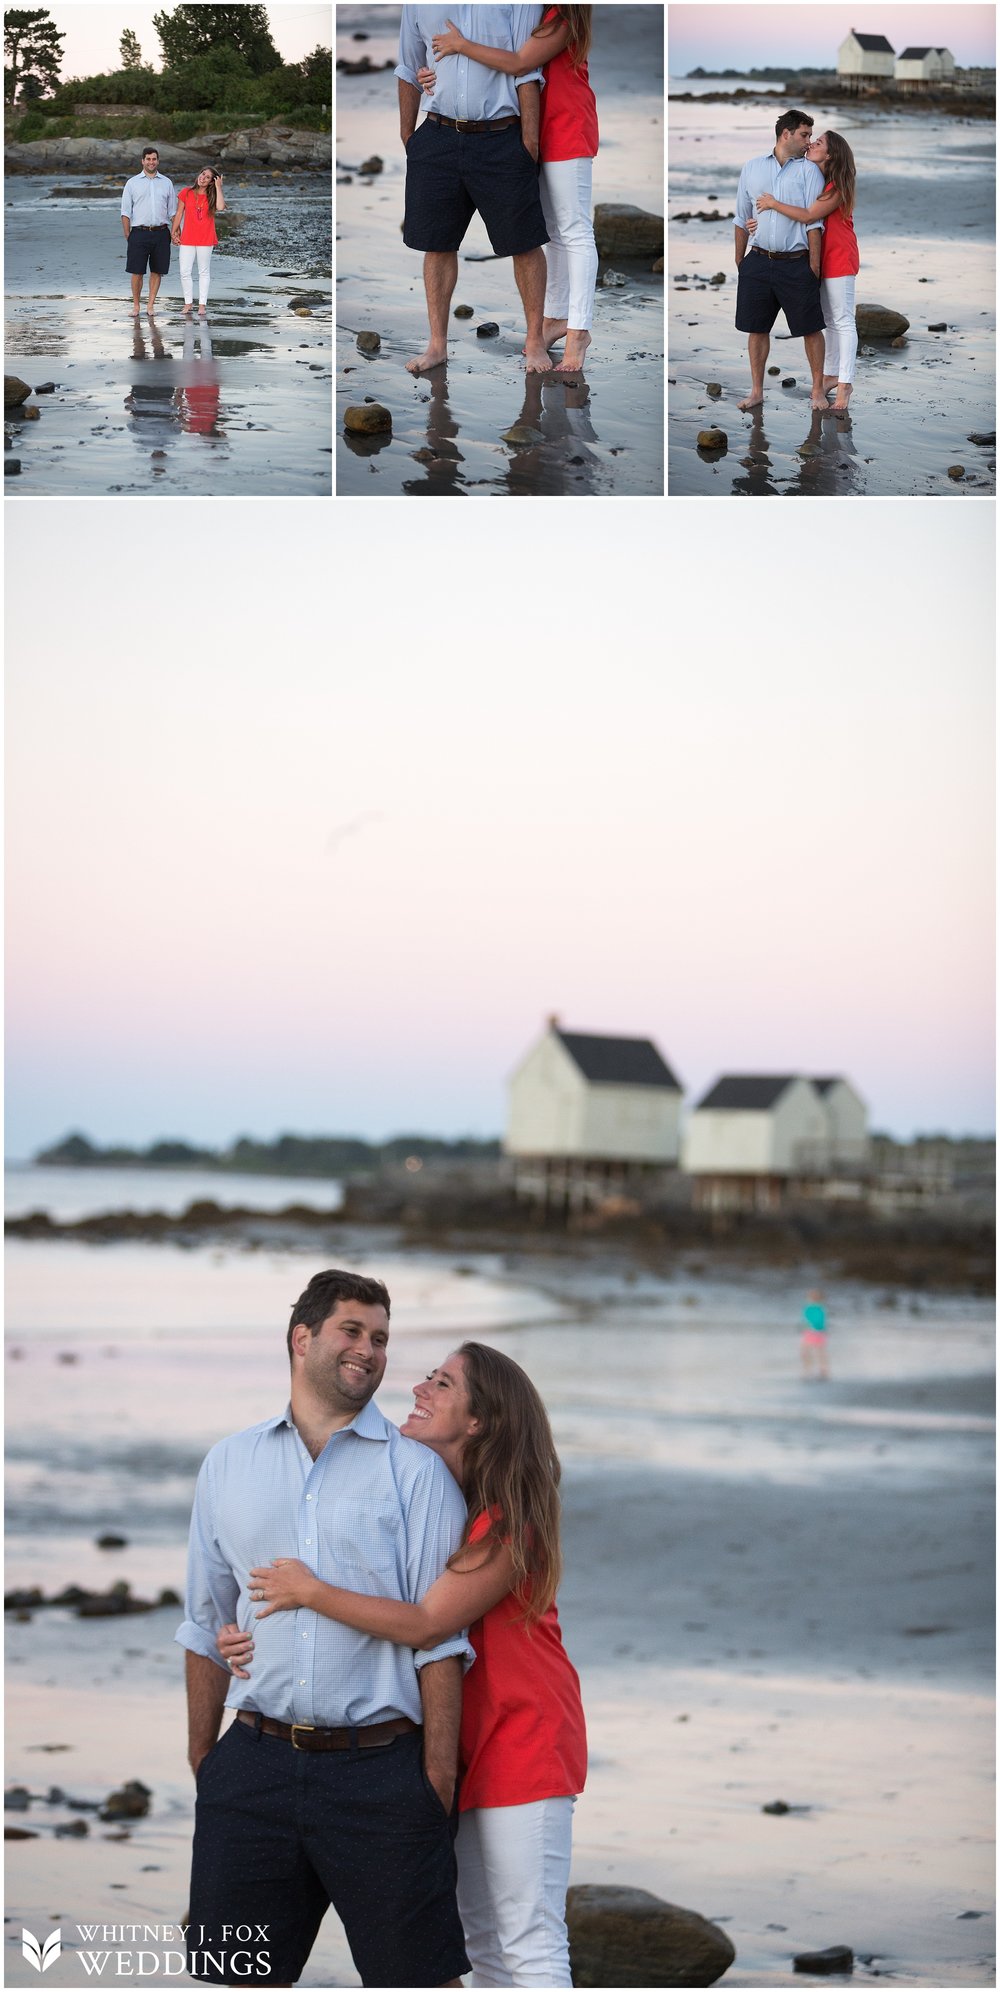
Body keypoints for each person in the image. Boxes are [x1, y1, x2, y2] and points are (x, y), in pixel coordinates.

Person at [219, 1341, 587, 1989]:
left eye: (442, 1384)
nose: (420, 1389)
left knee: (528, 1942)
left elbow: (425, 1623)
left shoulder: (510, 1525)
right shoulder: (444, 1502)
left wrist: (310, 1592)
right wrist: (249, 1637)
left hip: (523, 1744)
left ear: (479, 1421)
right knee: (480, 1944)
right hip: (459, 1747)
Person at [175, 1269, 473, 1989]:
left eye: (380, 1338)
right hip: (253, 1765)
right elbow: (204, 1620)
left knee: (415, 1982)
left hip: (383, 1776)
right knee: (233, 1980)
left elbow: (440, 1638)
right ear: (301, 1338)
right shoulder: (228, 1464)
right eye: (352, 1330)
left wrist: (435, 1777)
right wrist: (204, 1759)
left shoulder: (417, 1475)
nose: (369, 1350)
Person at [424, 8, 599, 375]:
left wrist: (460, 45)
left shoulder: (564, 18)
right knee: (550, 232)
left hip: (566, 126)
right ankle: (555, 319)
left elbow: (519, 63)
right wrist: (438, 75)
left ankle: (579, 330)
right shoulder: (536, 10)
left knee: (576, 232)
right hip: (532, 127)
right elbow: (496, 63)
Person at [395, 7, 553, 376]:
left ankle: (534, 342)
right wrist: (408, 136)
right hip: (436, 136)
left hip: (502, 138)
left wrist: (529, 141)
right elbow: (407, 66)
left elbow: (527, 68)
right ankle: (437, 345)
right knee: (437, 244)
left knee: (524, 243)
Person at [752, 130, 859, 414]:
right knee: (829, 321)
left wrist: (773, 203)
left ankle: (845, 383)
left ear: (831, 154)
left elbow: (809, 216)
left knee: (844, 321)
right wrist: (761, 226)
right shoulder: (819, 181)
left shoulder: (837, 187)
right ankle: (831, 376)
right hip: (821, 257)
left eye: (819, 142)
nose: (812, 143)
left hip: (840, 257)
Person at [733, 110, 827, 414]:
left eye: (811, 136)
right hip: (757, 262)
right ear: (785, 134)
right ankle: (757, 391)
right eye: (804, 135)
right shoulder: (751, 167)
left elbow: (814, 223)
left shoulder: (809, 172)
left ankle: (817, 391)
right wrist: (740, 261)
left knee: (811, 329)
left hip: (796, 263)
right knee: (756, 329)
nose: (808, 142)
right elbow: (740, 215)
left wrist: (813, 267)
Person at [120, 147, 178, 318]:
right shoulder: (132, 183)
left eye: (154, 159)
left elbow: (173, 212)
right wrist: (128, 235)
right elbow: (125, 212)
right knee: (136, 271)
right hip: (138, 233)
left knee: (157, 271)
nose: (151, 162)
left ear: (158, 161)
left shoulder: (166, 182)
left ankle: (150, 305)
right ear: (142, 161)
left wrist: (175, 233)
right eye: (148, 159)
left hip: (161, 233)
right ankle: (136, 306)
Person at [171, 167, 225, 316]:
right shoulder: (186, 192)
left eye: (208, 177)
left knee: (203, 271)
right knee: (184, 271)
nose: (203, 178)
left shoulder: (213, 196)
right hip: (187, 237)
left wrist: (218, 187)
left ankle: (202, 305)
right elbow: (179, 213)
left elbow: (220, 207)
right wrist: (173, 231)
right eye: (202, 174)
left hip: (206, 238)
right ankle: (188, 303)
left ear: (210, 182)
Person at [800, 1287, 830, 1380]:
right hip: (810, 1332)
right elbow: (804, 1320)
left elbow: (820, 1321)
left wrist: (815, 1328)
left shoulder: (819, 1308)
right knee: (807, 1352)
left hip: (816, 1332)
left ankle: (822, 1371)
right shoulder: (809, 1308)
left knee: (818, 1352)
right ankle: (809, 1371)